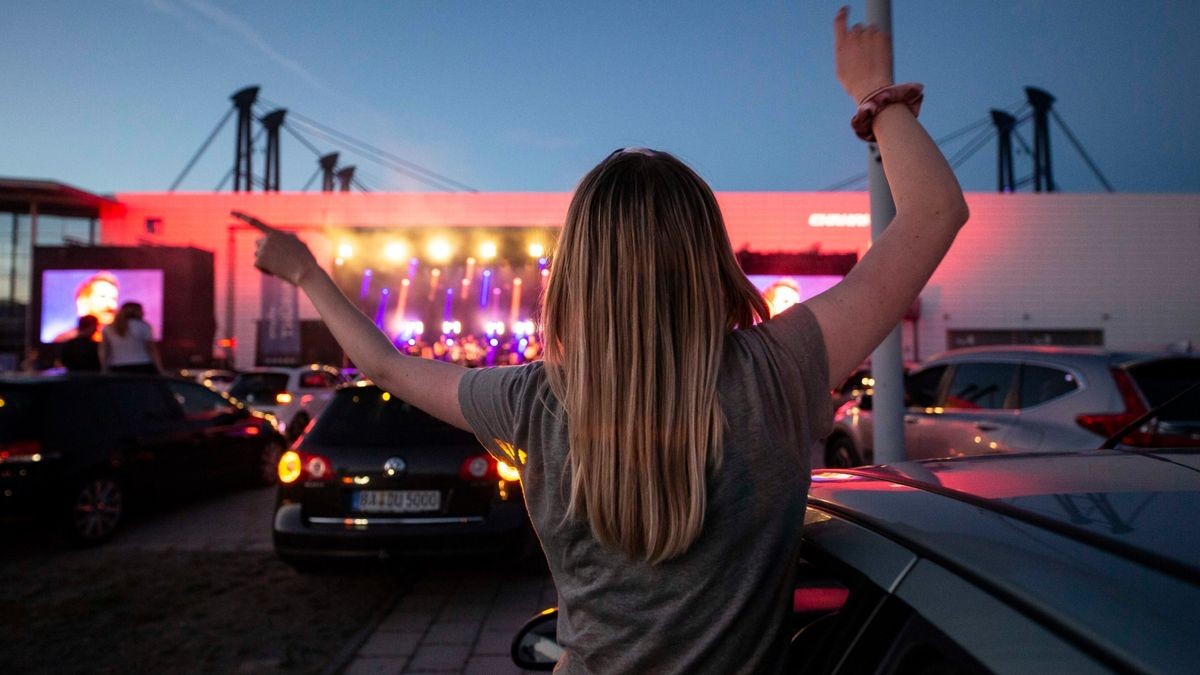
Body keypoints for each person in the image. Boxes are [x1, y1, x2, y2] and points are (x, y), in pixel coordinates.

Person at [237, 8, 968, 672]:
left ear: (579, 272)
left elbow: (385, 364)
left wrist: (305, 271)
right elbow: (934, 212)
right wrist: (875, 97)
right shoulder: (778, 367)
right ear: (707, 256)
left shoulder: (530, 402)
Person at [51, 271, 120, 342]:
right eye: (102, 297)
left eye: (114, 299)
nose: (111, 305)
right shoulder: (66, 340)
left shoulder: (121, 338)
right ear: (83, 302)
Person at [101, 302, 163, 374]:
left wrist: (104, 368)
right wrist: (160, 369)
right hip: (142, 364)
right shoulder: (143, 327)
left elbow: (104, 350)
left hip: (117, 366)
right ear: (138, 311)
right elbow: (152, 349)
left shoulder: (108, 328)